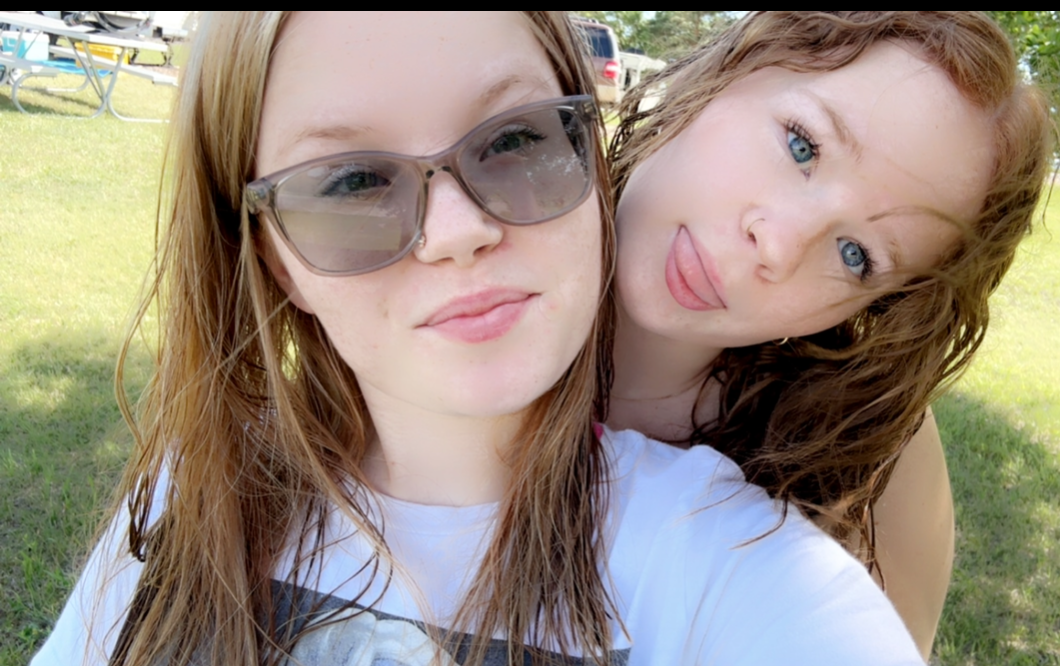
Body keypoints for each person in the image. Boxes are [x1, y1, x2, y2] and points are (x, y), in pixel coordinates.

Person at [32, 11, 925, 666]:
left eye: (515, 138)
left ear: (586, 154)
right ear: (274, 260)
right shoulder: (186, 493)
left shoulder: (733, 569)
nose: (456, 231)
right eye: (351, 183)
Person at [607, 11, 1053, 658]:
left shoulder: (862, 458)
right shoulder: (468, 240)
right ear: (729, 70)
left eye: (854, 255)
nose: (779, 244)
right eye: (802, 146)